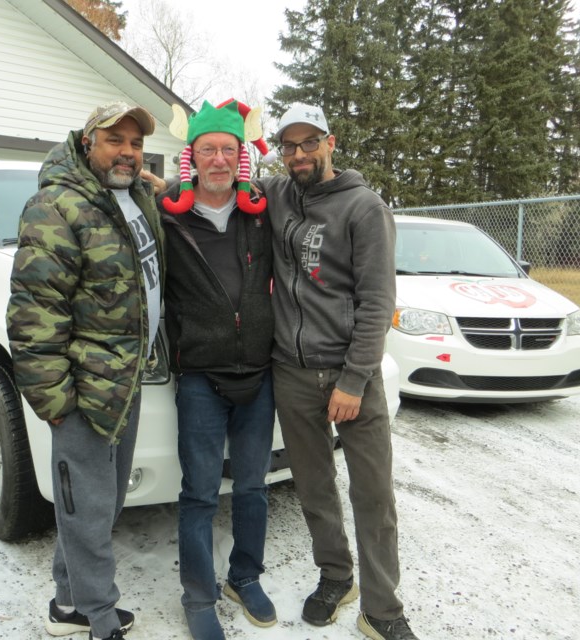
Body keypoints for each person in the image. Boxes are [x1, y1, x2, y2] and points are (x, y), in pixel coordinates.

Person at [255, 103, 420, 640]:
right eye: (289, 145)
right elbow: (220, 179)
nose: (299, 154)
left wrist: (353, 380)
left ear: (330, 142)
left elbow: (377, 302)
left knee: (373, 494)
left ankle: (382, 610)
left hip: (351, 375)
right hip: (293, 372)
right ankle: (336, 577)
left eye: (309, 143)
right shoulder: (278, 194)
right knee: (314, 487)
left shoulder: (364, 207)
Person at [6, 100, 165, 640]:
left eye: (136, 143)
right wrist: (55, 403)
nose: (127, 152)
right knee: (89, 507)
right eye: (115, 140)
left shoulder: (135, 196)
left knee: (99, 502)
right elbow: (34, 315)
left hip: (125, 379)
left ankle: (67, 603)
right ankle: (100, 616)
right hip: (83, 390)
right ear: (86, 141)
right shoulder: (55, 206)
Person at [156, 100, 276, 640]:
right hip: (201, 377)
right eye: (209, 150)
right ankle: (199, 596)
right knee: (201, 494)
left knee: (253, 487)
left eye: (229, 149)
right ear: (193, 158)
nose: (220, 160)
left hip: (259, 373)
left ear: (241, 157)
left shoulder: (265, 215)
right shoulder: (167, 218)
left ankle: (244, 577)